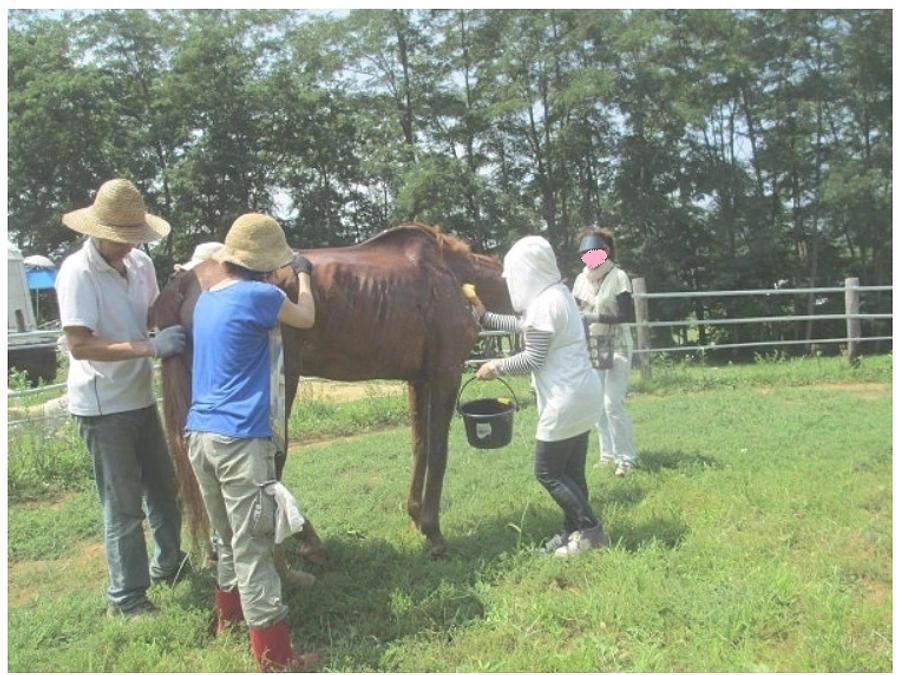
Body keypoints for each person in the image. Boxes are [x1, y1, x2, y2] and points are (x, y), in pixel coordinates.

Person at [184, 213, 320, 672]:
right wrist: (301, 272)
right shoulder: (261, 295)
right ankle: (276, 658)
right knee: (254, 545)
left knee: (225, 539)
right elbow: (305, 317)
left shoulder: (207, 299)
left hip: (199, 434)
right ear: (266, 265)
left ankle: (229, 621)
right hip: (241, 439)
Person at [55, 178, 189, 618]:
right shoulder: (77, 272)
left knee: (165, 490)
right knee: (124, 505)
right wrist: (150, 348)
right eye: (123, 239)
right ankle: (126, 598)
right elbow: (80, 344)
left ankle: (169, 565)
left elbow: (151, 315)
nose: (130, 246)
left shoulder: (141, 264)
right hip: (102, 406)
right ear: (100, 232)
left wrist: (181, 292)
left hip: (138, 397)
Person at [466, 235, 610, 557]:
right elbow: (525, 326)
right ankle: (569, 532)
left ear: (527, 270)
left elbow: (533, 358)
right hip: (584, 396)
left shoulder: (546, 303)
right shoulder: (557, 295)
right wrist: (485, 316)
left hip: (566, 400)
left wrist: (496, 366)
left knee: (547, 472)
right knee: (572, 474)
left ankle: (590, 530)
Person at [571, 226, 638, 477]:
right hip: (593, 346)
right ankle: (607, 454)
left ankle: (626, 458)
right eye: (585, 253)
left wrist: (595, 316)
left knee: (613, 403)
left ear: (606, 251)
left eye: (594, 252)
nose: (590, 258)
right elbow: (576, 310)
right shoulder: (581, 280)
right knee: (597, 404)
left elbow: (625, 314)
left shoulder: (618, 276)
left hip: (618, 346)